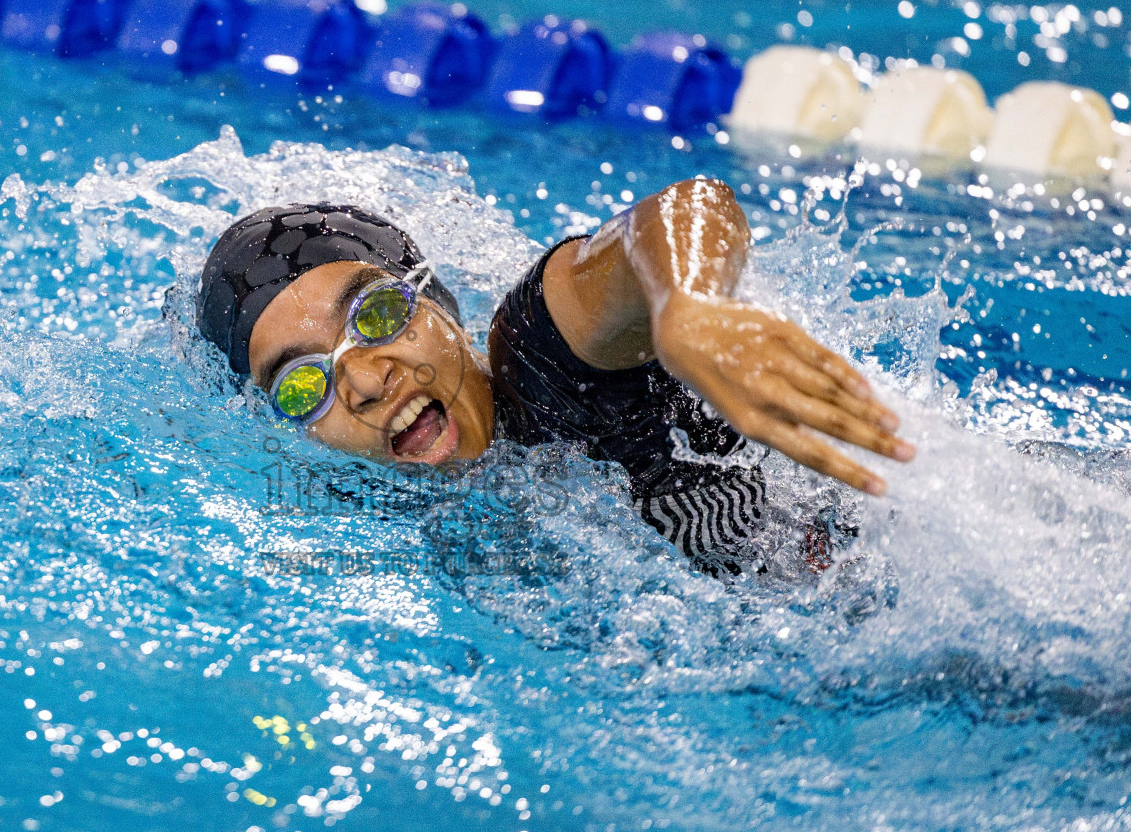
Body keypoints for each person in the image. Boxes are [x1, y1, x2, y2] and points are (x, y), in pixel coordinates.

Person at [197, 180, 914, 573]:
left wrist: (687, 308)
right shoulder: (393, 528)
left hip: (906, 544)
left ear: (439, 303)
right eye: (301, 384)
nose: (362, 380)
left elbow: (678, 214)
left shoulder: (539, 358)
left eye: (377, 313)